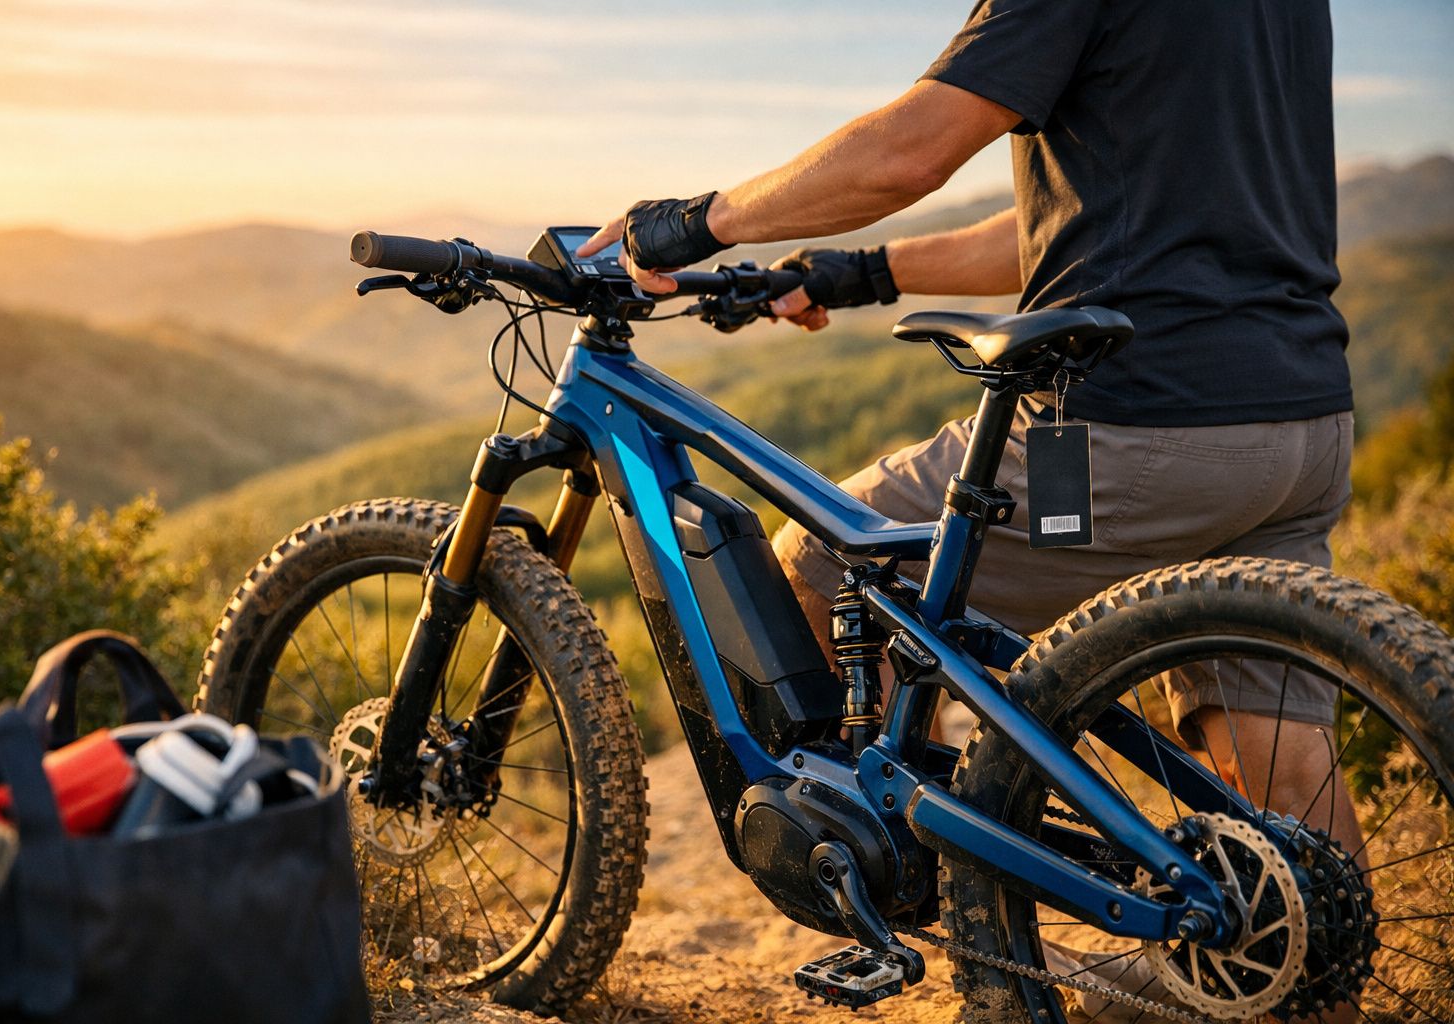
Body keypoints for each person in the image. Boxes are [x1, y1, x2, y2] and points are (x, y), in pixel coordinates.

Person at [581, 2, 1357, 1018]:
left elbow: (909, 151)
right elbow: (1068, 230)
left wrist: (693, 221)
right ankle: (1318, 988)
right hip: (1297, 426)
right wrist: (862, 273)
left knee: (827, 563)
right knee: (1283, 781)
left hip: (1133, 427)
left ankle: (956, 913)